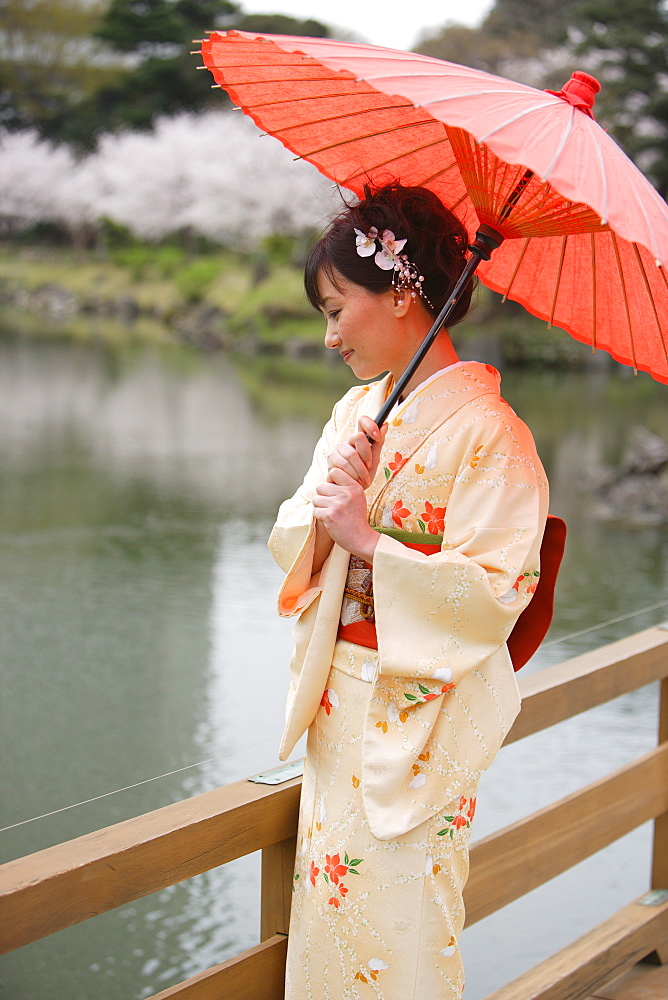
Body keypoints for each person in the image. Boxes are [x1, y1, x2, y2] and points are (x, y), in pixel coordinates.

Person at [268, 183, 549, 999]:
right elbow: (295, 536)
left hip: (420, 712)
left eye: (334, 309)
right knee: (330, 917)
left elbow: (496, 593)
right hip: (338, 708)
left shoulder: (493, 435)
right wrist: (329, 516)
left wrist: (366, 540)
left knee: (405, 925)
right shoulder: (358, 412)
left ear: (400, 294)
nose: (328, 337)